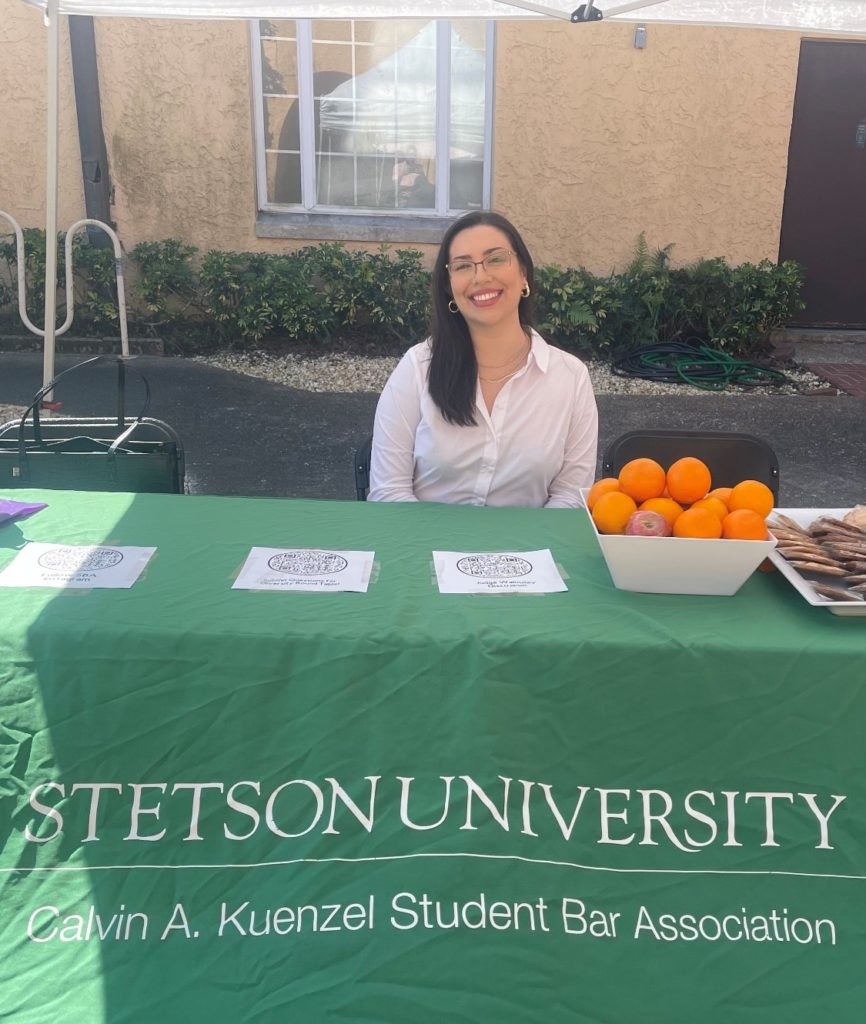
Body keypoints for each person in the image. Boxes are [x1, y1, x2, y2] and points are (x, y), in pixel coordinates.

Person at [368, 211, 599, 508]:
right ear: (449, 286)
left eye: (496, 259)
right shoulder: (417, 367)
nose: (481, 277)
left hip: (528, 551)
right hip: (426, 549)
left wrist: (518, 554)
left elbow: (571, 497)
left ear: (523, 273)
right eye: (463, 266)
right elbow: (389, 491)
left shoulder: (570, 377)